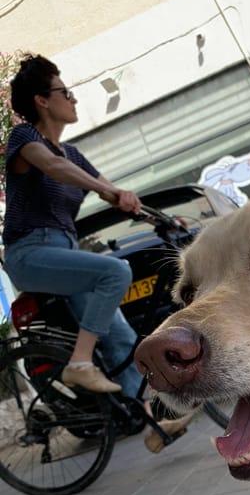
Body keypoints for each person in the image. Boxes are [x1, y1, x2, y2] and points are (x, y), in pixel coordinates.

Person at [2, 53, 191, 448]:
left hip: (63, 252)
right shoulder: (25, 139)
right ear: (42, 100)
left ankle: (153, 427)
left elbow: (117, 195)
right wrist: (108, 190)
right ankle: (79, 363)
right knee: (115, 271)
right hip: (29, 253)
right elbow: (53, 168)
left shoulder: (73, 154)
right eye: (65, 91)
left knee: (122, 336)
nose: (73, 98)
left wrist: (161, 218)